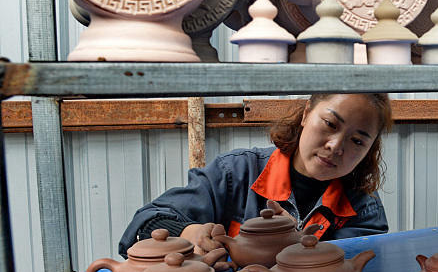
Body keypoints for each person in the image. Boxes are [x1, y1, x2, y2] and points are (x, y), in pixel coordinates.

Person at [119, 93, 392, 258]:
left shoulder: (362, 204)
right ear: (307, 113)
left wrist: (302, 246)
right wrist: (190, 233)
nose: (335, 146)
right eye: (330, 124)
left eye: (358, 141)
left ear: (370, 149)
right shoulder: (235, 173)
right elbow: (145, 223)